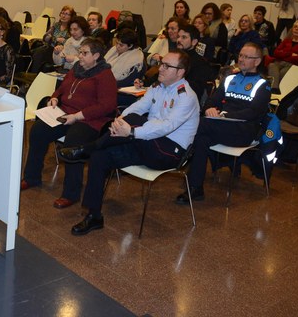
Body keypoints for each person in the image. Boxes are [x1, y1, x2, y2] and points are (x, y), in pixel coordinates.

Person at [61, 50, 200, 235]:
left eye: (167, 66)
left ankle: (87, 147)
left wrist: (132, 131)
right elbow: (139, 106)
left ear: (180, 72)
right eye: (161, 63)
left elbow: (166, 127)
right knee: (100, 157)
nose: (161, 68)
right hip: (146, 143)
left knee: (136, 120)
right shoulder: (158, 87)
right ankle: (93, 216)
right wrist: (120, 122)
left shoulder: (187, 97)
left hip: (169, 151)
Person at [21, 38, 117, 208]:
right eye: (80, 52)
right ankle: (31, 177)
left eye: (84, 53)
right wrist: (54, 98)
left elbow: (107, 106)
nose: (80, 55)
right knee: (38, 131)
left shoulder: (104, 74)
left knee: (74, 142)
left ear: (96, 55)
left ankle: (71, 194)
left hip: (90, 119)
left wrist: (78, 115)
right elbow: (63, 87)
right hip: (66, 112)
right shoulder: (77, 68)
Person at [178, 43, 271, 203]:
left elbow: (254, 112)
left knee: (199, 126)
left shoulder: (263, 85)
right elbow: (211, 101)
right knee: (201, 139)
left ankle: (178, 157)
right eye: (240, 55)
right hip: (220, 125)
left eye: (246, 57)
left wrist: (225, 115)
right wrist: (209, 109)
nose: (241, 59)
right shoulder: (229, 79)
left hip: (245, 130)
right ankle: (195, 188)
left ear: (257, 61)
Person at [265, 19, 298, 92]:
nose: (296, 29)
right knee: (271, 65)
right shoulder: (287, 40)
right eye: (295, 27)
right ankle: (275, 89)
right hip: (279, 62)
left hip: (294, 65)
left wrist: (283, 54)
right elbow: (276, 53)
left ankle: (275, 90)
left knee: (282, 72)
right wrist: (290, 54)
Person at [175, 24, 218, 103]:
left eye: (184, 37)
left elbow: (194, 90)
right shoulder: (173, 57)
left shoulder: (200, 63)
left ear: (194, 42)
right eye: (178, 36)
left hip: (186, 101)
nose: (179, 40)